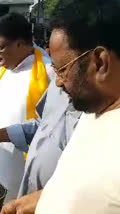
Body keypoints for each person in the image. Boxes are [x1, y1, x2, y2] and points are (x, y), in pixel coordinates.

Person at [35, 0, 120, 213]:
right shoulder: (96, 105)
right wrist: (44, 198)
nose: (58, 81)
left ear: (100, 62)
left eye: (62, 69)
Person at [0, 13, 54, 201]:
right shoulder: (4, 68)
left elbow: (50, 127)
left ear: (19, 43)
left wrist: (1, 135)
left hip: (25, 175)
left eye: (0, 48)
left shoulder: (48, 72)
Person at [0, 80, 81, 214]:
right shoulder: (57, 84)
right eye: (56, 68)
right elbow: (43, 125)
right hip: (30, 194)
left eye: (63, 68)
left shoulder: (106, 115)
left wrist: (49, 197)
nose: (57, 81)